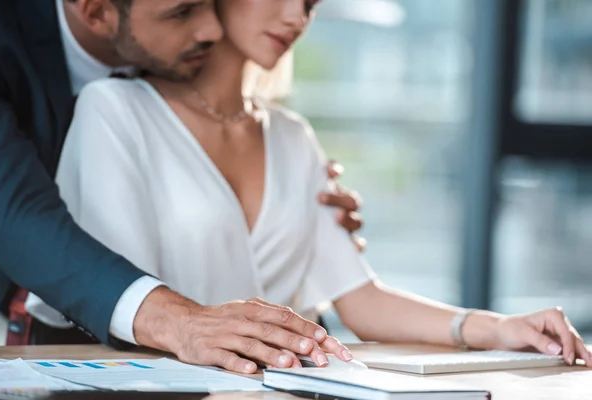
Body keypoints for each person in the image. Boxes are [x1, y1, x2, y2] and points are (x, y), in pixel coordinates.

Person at [31, 0, 592, 374]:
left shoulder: (292, 136)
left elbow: (363, 300)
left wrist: (499, 327)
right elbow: (124, 313)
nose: (297, 15)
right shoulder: (115, 110)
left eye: (311, 0)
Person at [0, 0, 364, 364]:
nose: (213, 28)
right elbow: (12, 209)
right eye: (183, 11)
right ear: (96, 12)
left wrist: (293, 198)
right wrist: (180, 322)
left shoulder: (285, 132)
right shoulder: (22, 50)